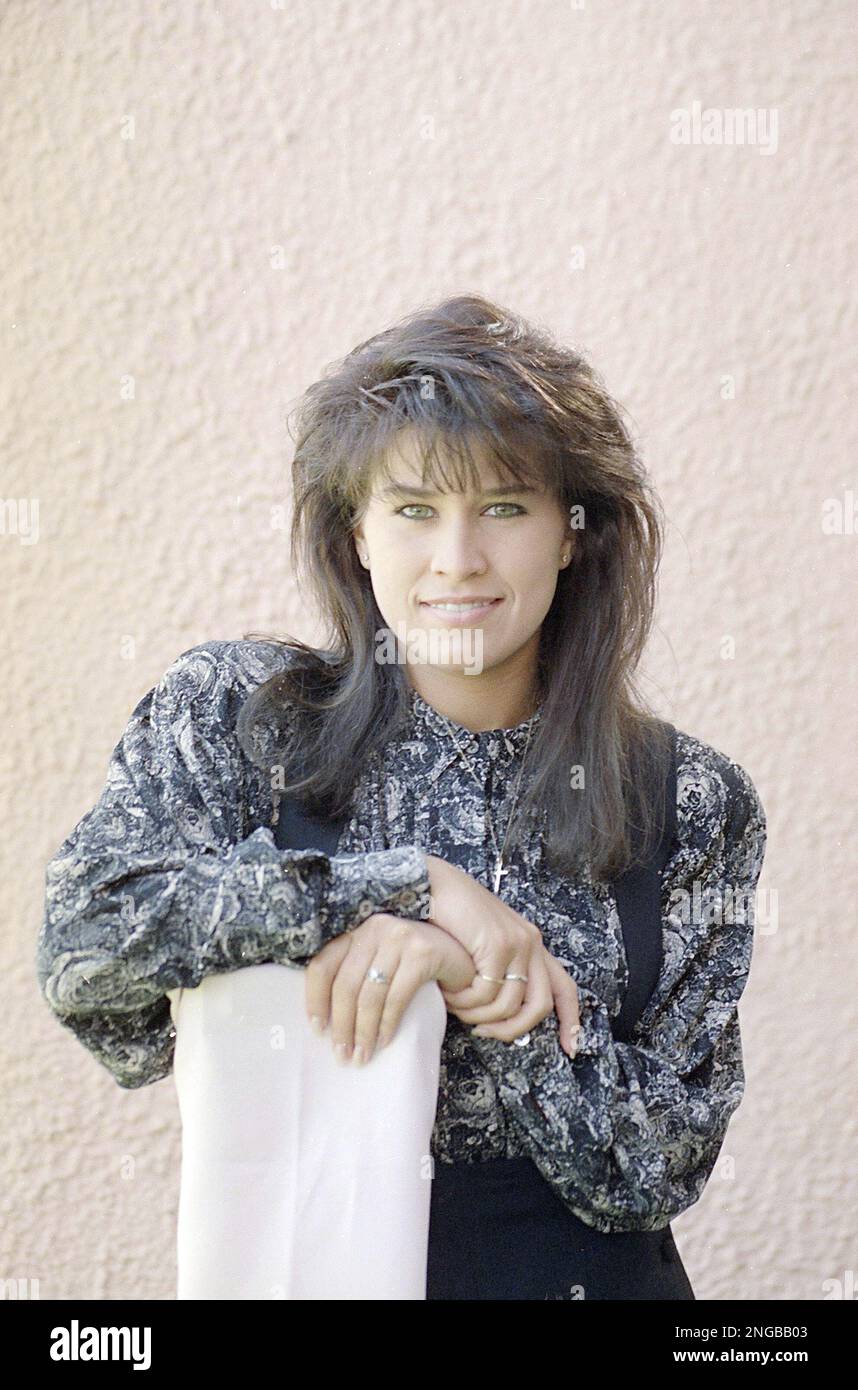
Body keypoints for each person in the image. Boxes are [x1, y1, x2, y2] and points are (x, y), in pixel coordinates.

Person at [37, 293, 767, 1300]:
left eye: (504, 506)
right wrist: (405, 888)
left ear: (572, 532)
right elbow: (87, 948)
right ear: (357, 535)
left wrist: (481, 987)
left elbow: (660, 1166)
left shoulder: (689, 800)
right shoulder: (241, 721)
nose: (458, 558)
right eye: (415, 509)